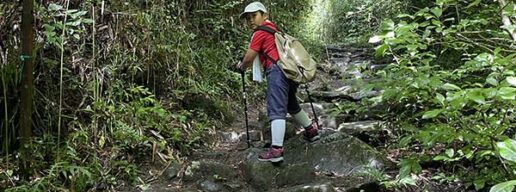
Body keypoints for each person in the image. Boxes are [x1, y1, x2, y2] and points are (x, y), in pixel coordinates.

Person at [236, 2, 320, 163]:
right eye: (248, 18)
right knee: (291, 104)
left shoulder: (260, 32)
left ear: (265, 15)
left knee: (276, 108)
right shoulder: (274, 29)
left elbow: (249, 57)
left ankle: (276, 150)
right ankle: (311, 130)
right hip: (289, 72)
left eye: (254, 16)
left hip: (277, 71)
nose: (251, 20)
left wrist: (241, 66)